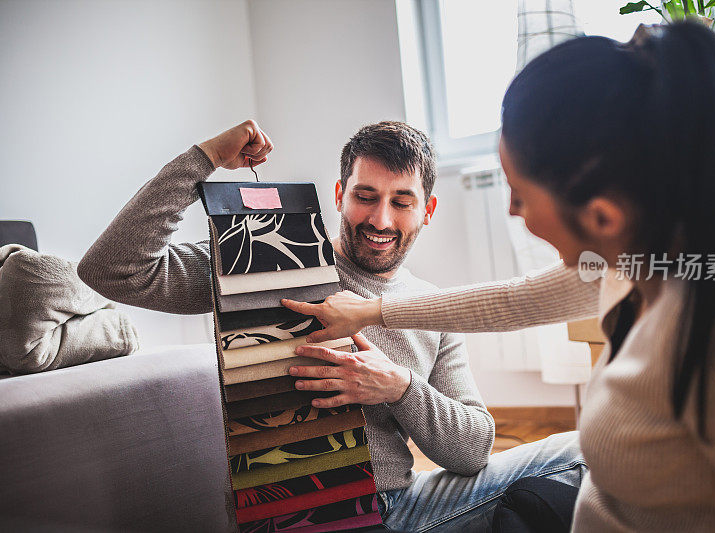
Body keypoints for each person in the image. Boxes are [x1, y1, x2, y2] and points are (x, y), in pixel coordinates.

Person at [283, 22, 715, 531]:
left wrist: (397, 382)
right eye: (366, 196)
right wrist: (375, 310)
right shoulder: (634, 262)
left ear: (603, 216)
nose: (512, 212)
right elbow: (513, 301)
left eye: (521, 193)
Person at [77, 119, 590, 532]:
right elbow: (111, 269)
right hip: (298, 514)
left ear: (427, 210)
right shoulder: (265, 262)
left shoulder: (431, 308)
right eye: (366, 196)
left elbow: (474, 448)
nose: (381, 220)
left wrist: (398, 387)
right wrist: (203, 160)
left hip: (402, 506)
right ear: (340, 193)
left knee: (585, 451)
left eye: (401, 202)